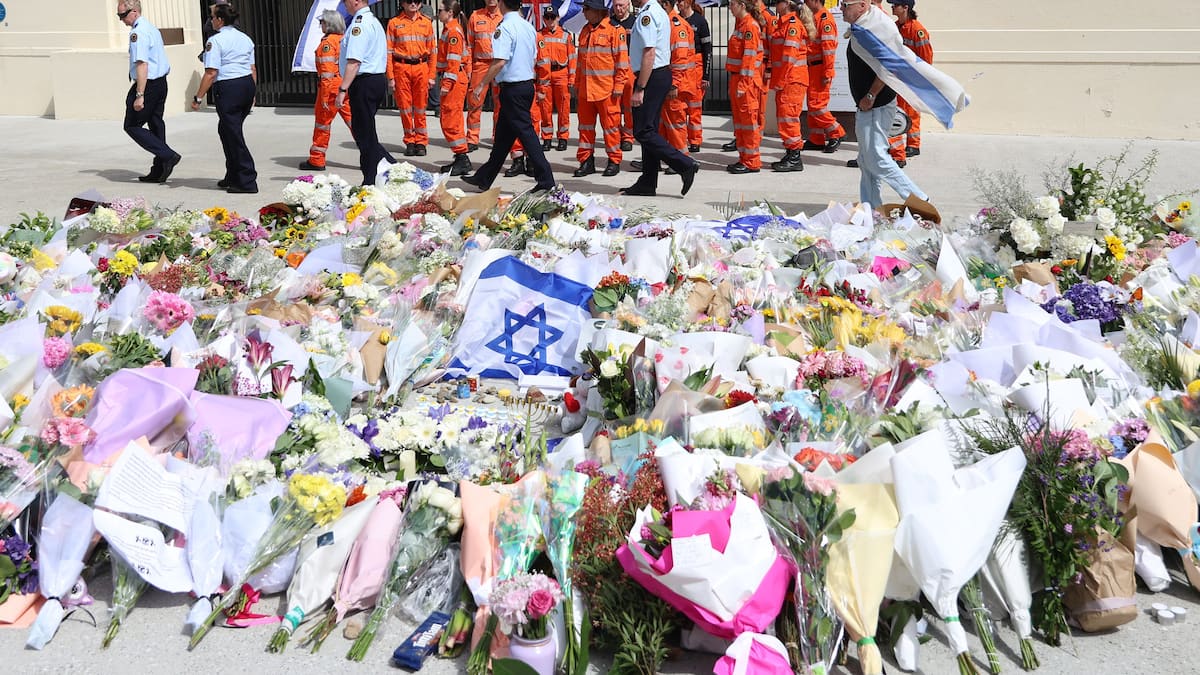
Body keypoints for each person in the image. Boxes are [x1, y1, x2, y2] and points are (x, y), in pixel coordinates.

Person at [841, 0, 935, 218]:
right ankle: (871, 208)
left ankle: (920, 200)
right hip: (867, 104)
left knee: (875, 157)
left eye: (846, 4)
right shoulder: (864, 25)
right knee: (866, 160)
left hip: (876, 103)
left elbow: (889, 65)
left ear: (862, 6)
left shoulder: (874, 28)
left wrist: (871, 95)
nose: (841, 8)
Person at [460, 0, 555, 192]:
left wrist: (482, 84)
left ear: (502, 4)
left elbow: (499, 61)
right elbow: (535, 55)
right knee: (503, 139)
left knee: (527, 134)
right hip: (525, 85)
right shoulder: (528, 27)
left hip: (513, 88)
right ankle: (485, 177)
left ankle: (546, 180)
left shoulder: (504, 27)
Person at [618, 0, 699, 196]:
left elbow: (649, 52)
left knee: (642, 131)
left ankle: (684, 164)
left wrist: (640, 88)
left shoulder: (649, 14)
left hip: (651, 75)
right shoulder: (656, 10)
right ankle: (647, 181)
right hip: (656, 74)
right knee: (649, 129)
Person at [191, 2, 257, 193]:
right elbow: (252, 68)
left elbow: (211, 72)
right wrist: (252, 93)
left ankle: (247, 180)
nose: (210, 20)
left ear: (220, 20)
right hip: (245, 85)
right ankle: (233, 174)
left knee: (233, 134)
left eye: (212, 17)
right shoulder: (245, 38)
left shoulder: (215, 41)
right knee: (226, 130)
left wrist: (198, 97)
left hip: (229, 87)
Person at [118, 1, 180, 184]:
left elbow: (142, 64)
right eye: (119, 16)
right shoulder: (151, 28)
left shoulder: (139, 32)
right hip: (160, 82)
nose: (121, 19)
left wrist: (139, 94)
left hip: (149, 84)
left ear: (135, 12)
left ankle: (168, 155)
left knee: (132, 125)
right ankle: (159, 169)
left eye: (123, 15)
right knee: (155, 123)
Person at [337, 0, 397, 186]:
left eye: (346, 1)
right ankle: (387, 168)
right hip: (374, 80)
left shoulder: (359, 24)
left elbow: (354, 62)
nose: (344, 4)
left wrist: (342, 89)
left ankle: (373, 178)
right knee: (366, 132)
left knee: (364, 135)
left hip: (364, 81)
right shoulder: (372, 21)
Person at [573, 0, 627, 178]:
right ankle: (586, 161)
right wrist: (577, 84)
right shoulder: (585, 31)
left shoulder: (614, 30)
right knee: (585, 128)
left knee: (611, 128)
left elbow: (622, 63)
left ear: (597, 11)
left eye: (586, 9)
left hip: (607, 91)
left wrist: (619, 86)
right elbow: (580, 62)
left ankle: (614, 161)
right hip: (586, 91)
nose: (583, 12)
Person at [301, 10, 353, 172]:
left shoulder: (327, 44)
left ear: (328, 24)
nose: (320, 25)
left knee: (322, 125)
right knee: (355, 123)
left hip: (330, 89)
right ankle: (371, 153)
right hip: (344, 86)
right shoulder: (344, 40)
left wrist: (323, 97)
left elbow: (326, 74)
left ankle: (317, 159)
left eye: (322, 22)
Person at [767, 0, 813, 172]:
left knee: (789, 119)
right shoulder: (784, 24)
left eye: (777, 2)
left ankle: (794, 157)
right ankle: (790, 153)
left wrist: (779, 81)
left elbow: (789, 58)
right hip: (788, 80)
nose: (775, 4)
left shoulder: (792, 26)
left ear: (786, 4)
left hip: (791, 80)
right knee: (785, 119)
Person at [386, 0, 436, 156]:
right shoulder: (394, 23)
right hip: (401, 67)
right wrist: (390, 77)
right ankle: (410, 140)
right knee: (405, 107)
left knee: (420, 107)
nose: (413, 4)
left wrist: (432, 75)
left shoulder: (426, 23)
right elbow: (388, 52)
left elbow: (432, 51)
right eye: (409, 1)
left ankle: (421, 141)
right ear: (402, 3)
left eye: (417, 1)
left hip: (421, 66)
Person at [724, 0, 764, 174]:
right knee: (740, 124)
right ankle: (744, 158)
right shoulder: (740, 25)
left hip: (745, 81)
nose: (730, 7)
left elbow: (749, 59)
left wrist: (742, 85)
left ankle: (752, 161)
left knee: (748, 123)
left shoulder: (750, 26)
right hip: (738, 79)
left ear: (742, 4)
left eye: (732, 4)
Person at [889, 0, 931, 160]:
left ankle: (913, 145)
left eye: (895, 4)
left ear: (905, 7)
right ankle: (898, 144)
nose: (892, 6)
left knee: (912, 111)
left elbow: (926, 58)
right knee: (899, 110)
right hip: (899, 77)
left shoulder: (917, 30)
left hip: (913, 79)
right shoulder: (896, 27)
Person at [659, 0, 699, 168]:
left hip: (676, 85)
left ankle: (682, 161)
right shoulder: (667, 23)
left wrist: (674, 84)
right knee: (664, 125)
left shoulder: (677, 26)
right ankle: (661, 159)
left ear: (665, 4)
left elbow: (680, 59)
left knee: (675, 124)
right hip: (668, 83)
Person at [802, 0, 845, 153]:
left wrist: (827, 72)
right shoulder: (815, 17)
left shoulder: (824, 19)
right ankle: (816, 138)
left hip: (820, 68)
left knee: (817, 105)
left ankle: (836, 132)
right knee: (812, 104)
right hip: (813, 67)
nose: (805, 3)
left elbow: (828, 49)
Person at [436, 1, 472, 175]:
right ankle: (460, 156)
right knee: (451, 118)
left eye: (440, 10)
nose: (438, 13)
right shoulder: (450, 29)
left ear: (450, 13)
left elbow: (453, 60)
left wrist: (447, 84)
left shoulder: (453, 32)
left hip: (454, 80)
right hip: (456, 78)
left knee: (451, 119)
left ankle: (462, 157)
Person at [465, 0, 503, 152]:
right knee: (475, 101)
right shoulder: (475, 16)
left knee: (500, 103)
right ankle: (472, 138)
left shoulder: (505, 17)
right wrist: (469, 67)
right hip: (480, 64)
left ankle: (498, 137)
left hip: (500, 65)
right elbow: (469, 45)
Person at [535, 6, 575, 152]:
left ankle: (563, 137)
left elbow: (572, 58)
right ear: (544, 18)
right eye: (547, 17)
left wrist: (572, 78)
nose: (550, 20)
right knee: (545, 108)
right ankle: (547, 137)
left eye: (553, 17)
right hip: (544, 76)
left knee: (564, 107)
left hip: (561, 74)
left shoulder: (566, 35)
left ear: (558, 18)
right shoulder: (539, 35)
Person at [679, 0, 710, 152]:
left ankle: (695, 140)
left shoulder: (700, 21)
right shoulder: (676, 20)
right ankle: (681, 139)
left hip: (696, 69)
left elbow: (707, 50)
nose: (678, 3)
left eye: (680, 1)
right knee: (680, 108)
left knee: (695, 107)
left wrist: (706, 75)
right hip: (681, 69)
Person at [611, 0, 637, 152]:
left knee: (628, 107)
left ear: (628, 4)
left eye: (621, 5)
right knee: (613, 107)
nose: (619, 9)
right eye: (616, 6)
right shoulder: (609, 22)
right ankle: (616, 134)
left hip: (629, 69)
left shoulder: (635, 22)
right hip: (611, 70)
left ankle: (628, 136)